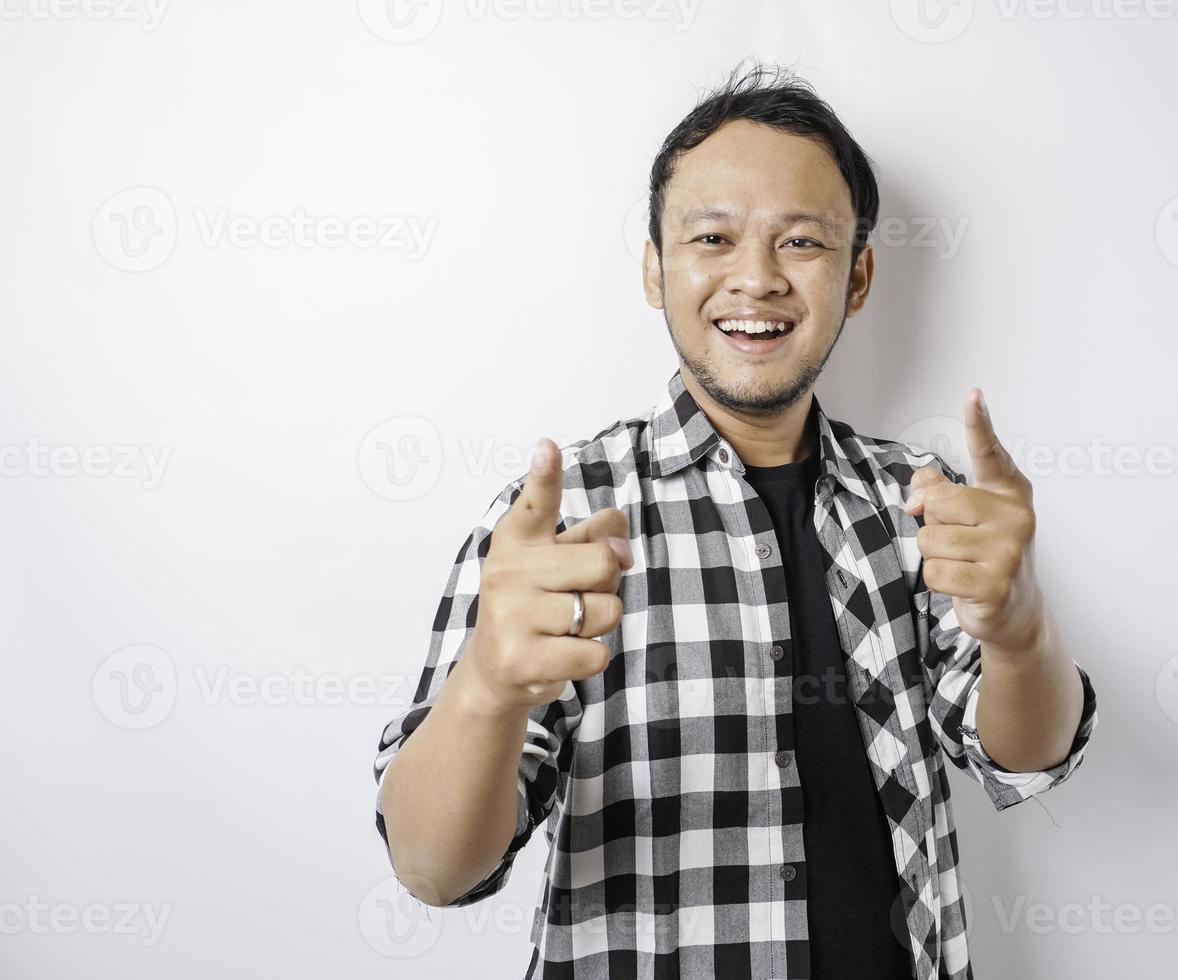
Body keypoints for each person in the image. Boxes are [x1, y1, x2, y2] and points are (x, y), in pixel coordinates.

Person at [372, 60, 1098, 980]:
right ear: (654, 268)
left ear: (859, 275)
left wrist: (1024, 631)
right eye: (712, 237)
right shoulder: (553, 530)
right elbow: (433, 870)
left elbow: (1022, 763)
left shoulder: (923, 501)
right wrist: (487, 687)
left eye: (801, 243)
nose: (755, 280)